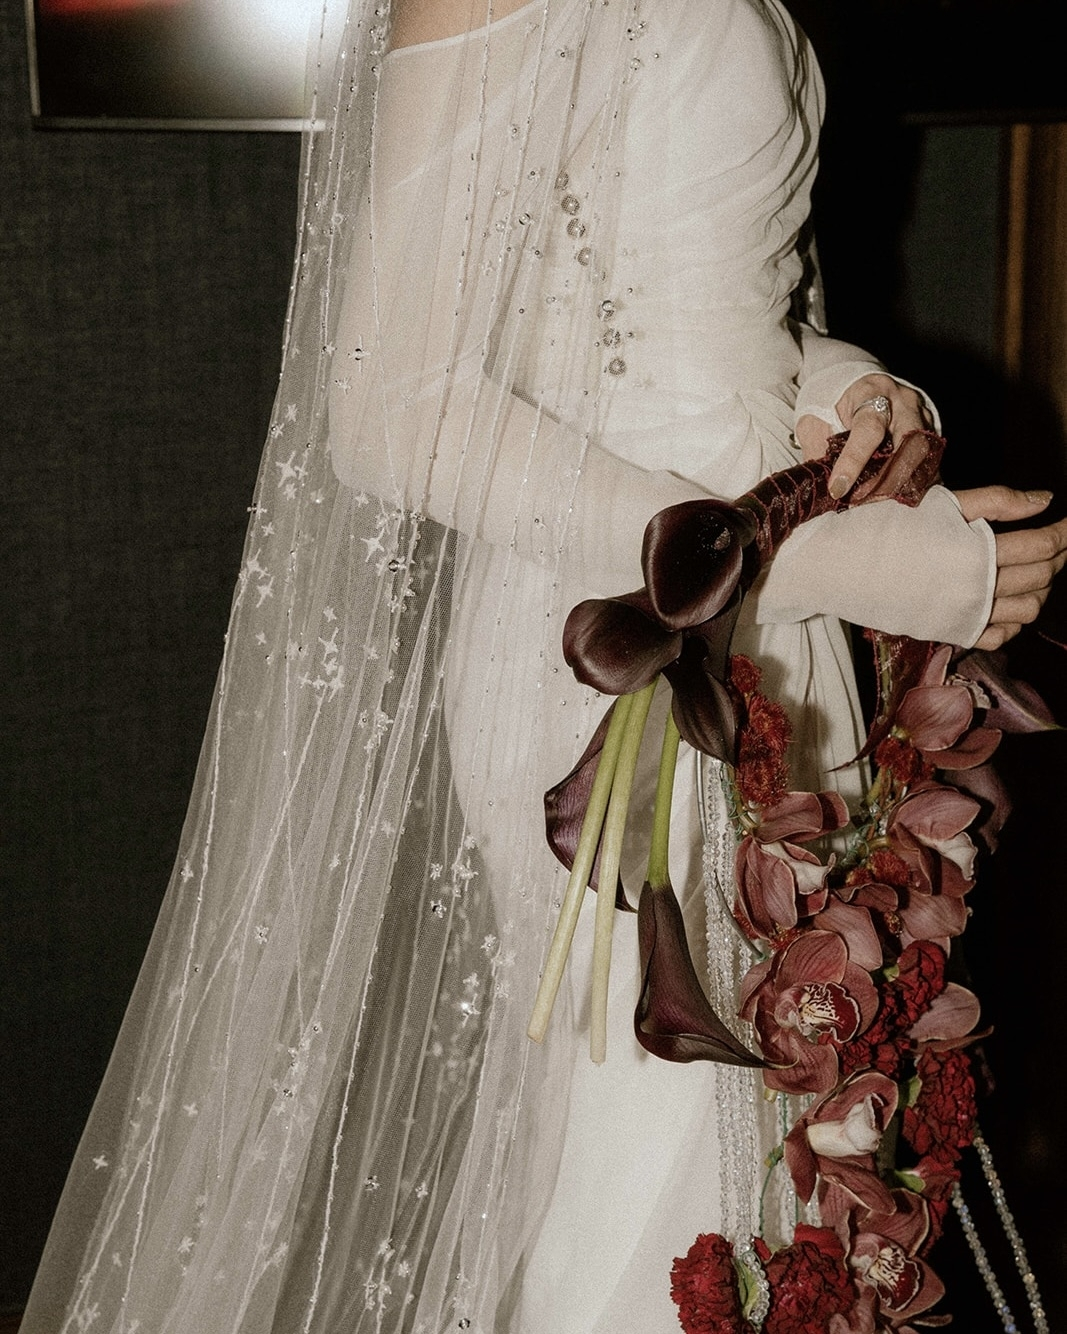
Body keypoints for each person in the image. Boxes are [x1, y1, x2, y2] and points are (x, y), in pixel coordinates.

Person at [21, 0, 1066, 1330]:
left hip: (762, 635)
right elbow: (393, 411)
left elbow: (711, 302)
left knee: (754, 1206)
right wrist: (840, 566)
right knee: (656, 1211)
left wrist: (853, 391)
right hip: (625, 666)